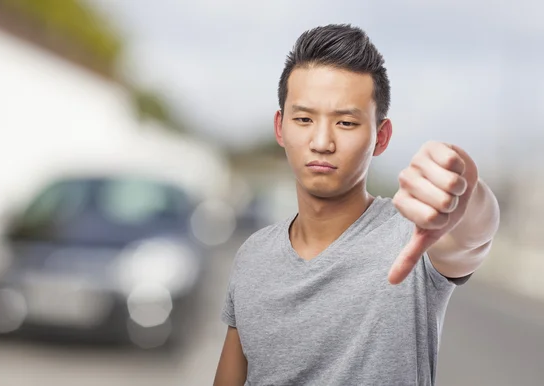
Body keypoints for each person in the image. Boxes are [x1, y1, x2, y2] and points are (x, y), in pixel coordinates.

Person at [213, 24, 500, 386]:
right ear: (280, 126)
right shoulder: (252, 256)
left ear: (380, 137)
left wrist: (464, 191)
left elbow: (470, 234)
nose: (321, 141)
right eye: (303, 119)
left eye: (346, 122)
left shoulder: (411, 239)